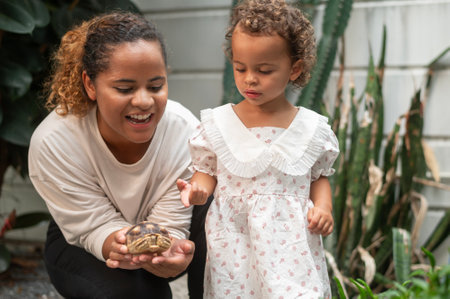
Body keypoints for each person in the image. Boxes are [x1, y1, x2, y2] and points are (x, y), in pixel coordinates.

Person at [28, 11, 210, 299]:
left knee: (216, 202)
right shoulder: (55, 141)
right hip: (85, 240)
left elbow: (172, 224)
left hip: (165, 232)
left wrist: (169, 251)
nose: (143, 101)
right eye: (124, 88)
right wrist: (121, 245)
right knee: (136, 293)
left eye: (156, 86)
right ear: (90, 85)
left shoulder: (184, 130)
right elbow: (92, 226)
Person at [177, 0, 340, 297]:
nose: (250, 78)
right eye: (240, 68)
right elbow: (207, 172)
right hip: (235, 245)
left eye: (264, 70)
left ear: (295, 69)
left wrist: (324, 208)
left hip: (291, 246)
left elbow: (319, 178)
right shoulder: (219, 124)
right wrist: (197, 190)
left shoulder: (311, 129)